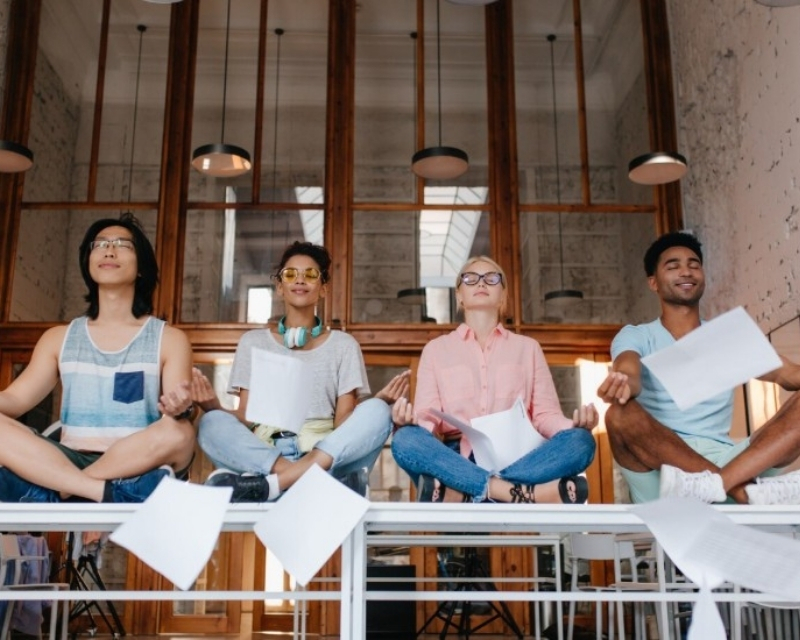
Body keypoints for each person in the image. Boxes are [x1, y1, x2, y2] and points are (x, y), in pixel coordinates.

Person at [0, 214, 196, 503]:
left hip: (137, 463)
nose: (109, 250)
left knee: (179, 433)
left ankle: (61, 490)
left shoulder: (169, 339)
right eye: (100, 244)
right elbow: (15, 400)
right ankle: (101, 491)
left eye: (122, 245)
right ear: (88, 262)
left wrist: (182, 407)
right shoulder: (58, 338)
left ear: (141, 266)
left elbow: (179, 412)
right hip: (68, 458)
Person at [195, 241, 409, 502]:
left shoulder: (344, 345)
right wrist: (212, 406)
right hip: (268, 453)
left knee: (378, 411)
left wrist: (378, 402)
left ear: (323, 289)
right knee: (210, 423)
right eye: (290, 274)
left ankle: (272, 485)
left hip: (322, 450)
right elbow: (246, 418)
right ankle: (311, 480)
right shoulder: (253, 342)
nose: (300, 280)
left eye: (310, 274)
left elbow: (344, 422)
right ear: (279, 287)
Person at [596, 231, 800, 504]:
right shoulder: (637, 335)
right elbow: (629, 371)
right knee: (618, 414)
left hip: (731, 460)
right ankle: (742, 491)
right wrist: (622, 384)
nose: (686, 271)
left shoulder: (727, 340)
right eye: (673, 266)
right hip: (663, 469)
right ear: (653, 282)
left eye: (694, 264)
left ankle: (722, 485)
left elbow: (791, 375)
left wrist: (723, 477)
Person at [390, 256, 597, 504]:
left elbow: (544, 415)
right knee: (405, 440)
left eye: (491, 278)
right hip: (458, 458)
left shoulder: (528, 348)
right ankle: (517, 492)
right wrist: (408, 422)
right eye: (470, 278)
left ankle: (464, 492)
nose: (481, 283)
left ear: (503, 296)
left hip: (522, 458)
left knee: (581, 442)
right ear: (459, 296)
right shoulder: (436, 350)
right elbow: (427, 418)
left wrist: (574, 426)